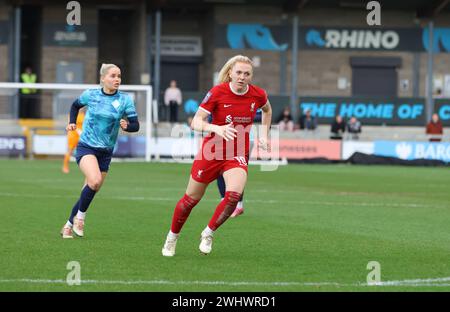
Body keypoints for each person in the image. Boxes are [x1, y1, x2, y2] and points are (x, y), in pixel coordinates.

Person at [161, 55, 272, 256]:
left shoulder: (257, 94)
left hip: (237, 153)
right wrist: (216, 128)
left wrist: (264, 134)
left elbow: (267, 110)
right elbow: (196, 122)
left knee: (233, 197)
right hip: (211, 152)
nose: (242, 77)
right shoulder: (217, 92)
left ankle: (208, 233)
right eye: (238, 72)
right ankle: (172, 237)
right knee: (190, 200)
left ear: (251, 76)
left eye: (247, 74)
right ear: (230, 73)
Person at [60, 64, 139, 239]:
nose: (117, 79)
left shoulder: (125, 100)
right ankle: (80, 218)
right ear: (103, 78)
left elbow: (135, 125)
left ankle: (68, 226)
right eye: (112, 76)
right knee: (94, 181)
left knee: (89, 190)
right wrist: (72, 122)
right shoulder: (92, 94)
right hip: (87, 146)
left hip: (106, 152)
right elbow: (75, 106)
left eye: (119, 76)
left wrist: (128, 126)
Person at [62, 107, 86, 173]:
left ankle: (85, 167)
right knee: (70, 150)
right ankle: (65, 166)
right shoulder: (73, 114)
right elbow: (70, 124)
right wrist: (77, 130)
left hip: (81, 135)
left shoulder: (84, 115)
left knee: (85, 150)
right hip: (73, 135)